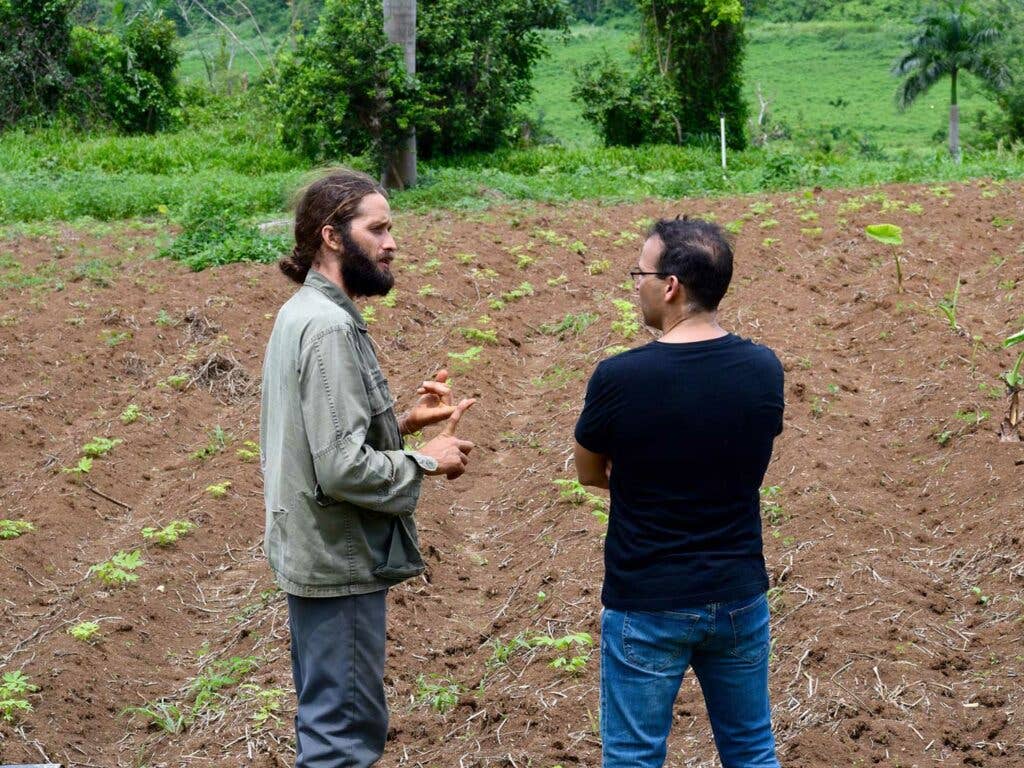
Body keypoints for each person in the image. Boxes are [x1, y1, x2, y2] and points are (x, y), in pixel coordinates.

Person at [260, 168, 476, 768]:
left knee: (328, 719)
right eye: (377, 229)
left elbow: (319, 436)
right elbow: (342, 468)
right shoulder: (328, 328)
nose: (391, 243)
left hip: (315, 553)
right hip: (340, 558)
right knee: (344, 738)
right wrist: (424, 462)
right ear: (332, 236)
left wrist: (402, 424)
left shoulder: (302, 311)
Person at [573, 216, 784, 768]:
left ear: (670, 286)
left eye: (639, 272)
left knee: (634, 757)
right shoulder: (763, 368)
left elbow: (588, 473)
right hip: (739, 593)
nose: (634, 283)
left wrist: (644, 481)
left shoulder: (620, 377)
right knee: (752, 748)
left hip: (648, 600)